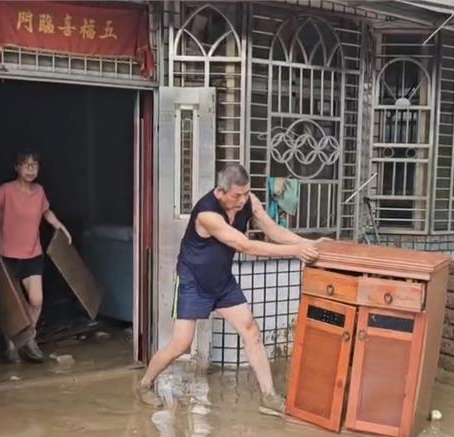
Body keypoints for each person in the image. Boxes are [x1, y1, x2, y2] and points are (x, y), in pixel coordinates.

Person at [137, 164, 320, 415]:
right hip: (193, 281)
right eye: (237, 195)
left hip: (222, 281)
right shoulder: (207, 214)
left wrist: (308, 243)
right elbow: (244, 245)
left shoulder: (248, 201)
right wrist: (295, 251)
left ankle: (269, 396)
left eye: (246, 193)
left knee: (251, 330)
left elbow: (272, 230)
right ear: (220, 192)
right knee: (180, 345)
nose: (243, 200)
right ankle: (145, 384)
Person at [0, 152, 72, 364]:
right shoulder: (6, 190)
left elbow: (46, 212)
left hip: (33, 253)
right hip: (7, 255)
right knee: (11, 307)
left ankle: (25, 339)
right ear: (17, 168)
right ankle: (12, 344)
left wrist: (60, 226)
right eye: (26, 166)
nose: (31, 170)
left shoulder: (39, 191)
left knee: (36, 300)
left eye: (34, 166)